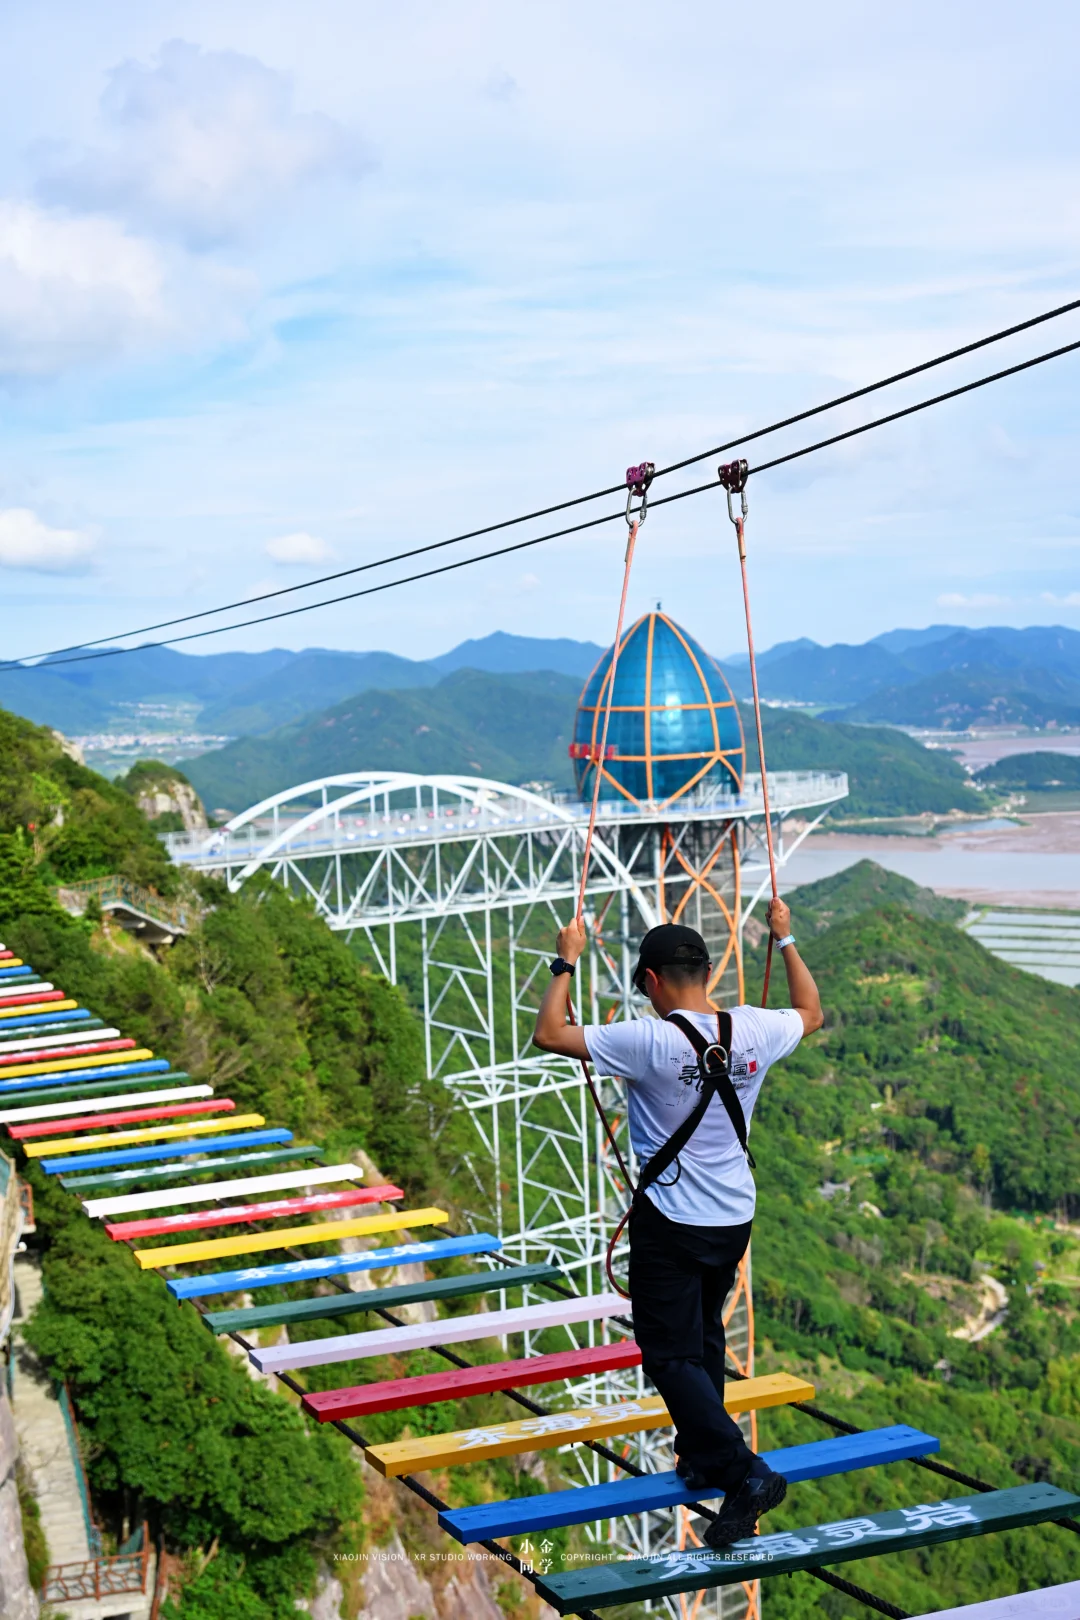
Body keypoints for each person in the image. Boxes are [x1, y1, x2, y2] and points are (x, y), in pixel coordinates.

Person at [532, 898, 823, 1546]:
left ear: (652, 981)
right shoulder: (751, 1028)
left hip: (670, 1219)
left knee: (669, 1352)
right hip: (734, 1217)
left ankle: (743, 1472)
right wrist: (786, 939)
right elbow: (812, 1011)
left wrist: (566, 960)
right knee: (703, 1340)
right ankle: (701, 1456)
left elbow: (550, 1033)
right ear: (708, 972)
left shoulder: (647, 1038)